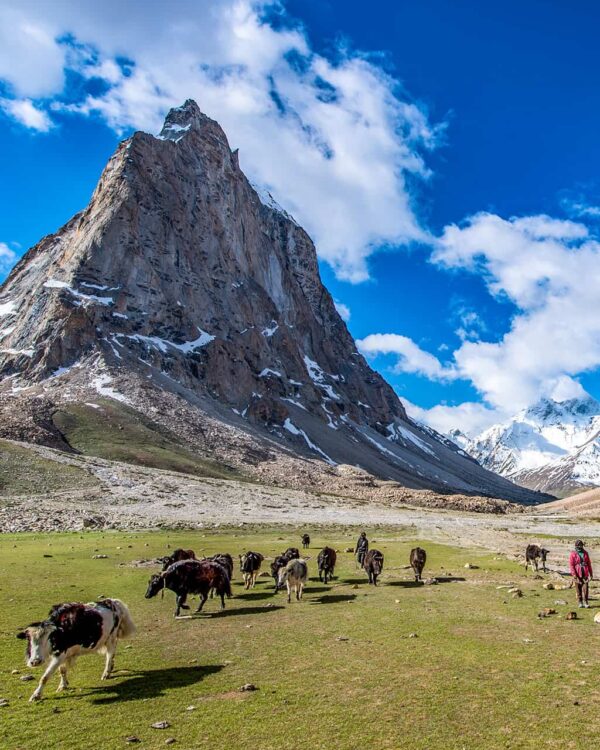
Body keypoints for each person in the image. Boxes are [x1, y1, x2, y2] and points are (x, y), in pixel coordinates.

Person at [569, 539, 593, 608]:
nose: (580, 546)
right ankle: (580, 602)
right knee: (578, 588)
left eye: (581, 545)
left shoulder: (585, 553)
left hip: (585, 573)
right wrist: (574, 574)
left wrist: (591, 574)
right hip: (577, 574)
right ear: (576, 546)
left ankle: (586, 602)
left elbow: (589, 564)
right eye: (578, 545)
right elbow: (571, 565)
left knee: (585, 588)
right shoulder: (573, 554)